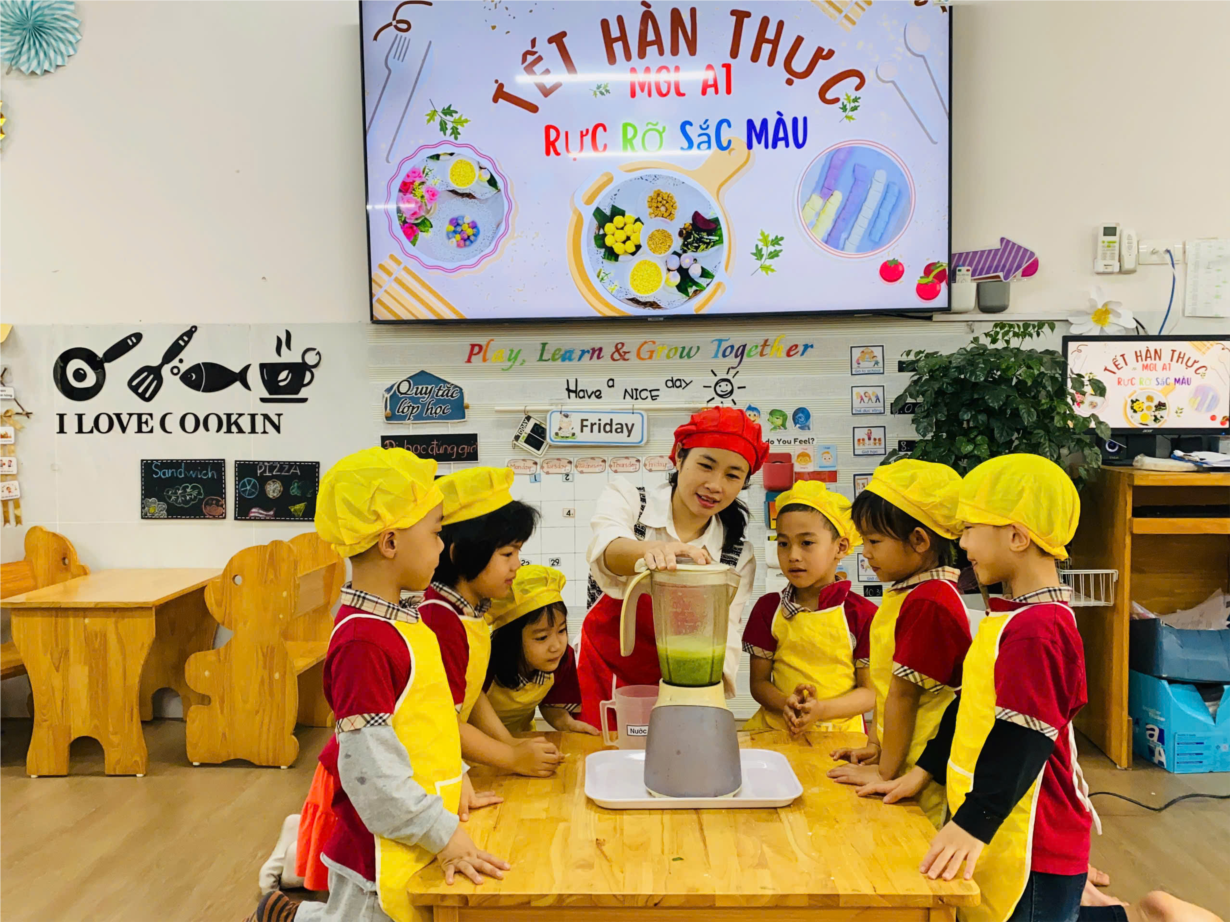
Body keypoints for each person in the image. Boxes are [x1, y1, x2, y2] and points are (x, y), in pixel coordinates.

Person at [857, 454, 1224, 922]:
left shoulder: (1040, 631)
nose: (962, 542)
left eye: (971, 528)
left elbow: (1023, 737)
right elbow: (969, 707)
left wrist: (974, 822)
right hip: (1000, 812)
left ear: (1017, 536)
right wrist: (923, 771)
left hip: (1036, 832)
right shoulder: (1010, 616)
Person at [246, 447, 507, 922]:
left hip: (416, 826)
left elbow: (425, 726)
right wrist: (443, 832)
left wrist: (457, 778)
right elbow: (370, 774)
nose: (441, 546)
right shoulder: (362, 644)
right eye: (436, 532)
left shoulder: (403, 621)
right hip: (378, 848)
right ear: (390, 542)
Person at [578, 407, 769, 728]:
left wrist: (709, 701)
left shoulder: (736, 555)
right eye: (706, 465)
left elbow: (725, 632)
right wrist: (651, 551)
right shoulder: (630, 500)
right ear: (679, 457)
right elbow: (608, 549)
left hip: (681, 684)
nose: (715, 485)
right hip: (601, 675)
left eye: (732, 475)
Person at [827, 459, 971, 828]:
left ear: (919, 540)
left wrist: (884, 772)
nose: (866, 552)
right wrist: (876, 750)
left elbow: (904, 697)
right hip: (900, 760)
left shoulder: (930, 602)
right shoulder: (908, 594)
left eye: (874, 541)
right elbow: (886, 687)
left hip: (921, 770)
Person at [418, 466, 562, 778]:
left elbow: (471, 694)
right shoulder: (440, 620)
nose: (517, 565)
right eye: (508, 553)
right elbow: (443, 721)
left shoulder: (471, 611)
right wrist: (511, 757)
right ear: (461, 554)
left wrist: (510, 743)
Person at [741, 481, 876, 736]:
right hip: (775, 730)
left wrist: (821, 710)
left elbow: (869, 693)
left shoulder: (862, 614)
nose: (793, 555)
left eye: (806, 543)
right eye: (783, 543)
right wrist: (786, 704)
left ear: (841, 547)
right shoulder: (768, 609)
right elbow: (758, 683)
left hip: (842, 738)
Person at [485, 565, 599, 736]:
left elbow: (551, 705)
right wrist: (507, 746)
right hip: (475, 742)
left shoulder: (563, 657)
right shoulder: (485, 662)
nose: (556, 646)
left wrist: (568, 724)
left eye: (561, 630)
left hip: (523, 737)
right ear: (511, 640)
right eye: (542, 637)